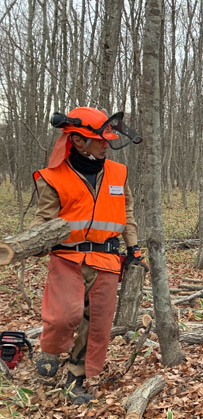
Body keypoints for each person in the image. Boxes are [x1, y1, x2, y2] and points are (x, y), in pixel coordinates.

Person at [32, 107, 145, 404]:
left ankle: (76, 378)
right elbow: (44, 219)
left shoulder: (118, 174)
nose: (106, 143)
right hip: (67, 257)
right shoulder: (54, 177)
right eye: (100, 139)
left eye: (109, 138)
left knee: (95, 324)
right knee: (63, 316)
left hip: (106, 259)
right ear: (79, 141)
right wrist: (31, 242)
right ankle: (50, 348)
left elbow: (127, 213)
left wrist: (132, 246)